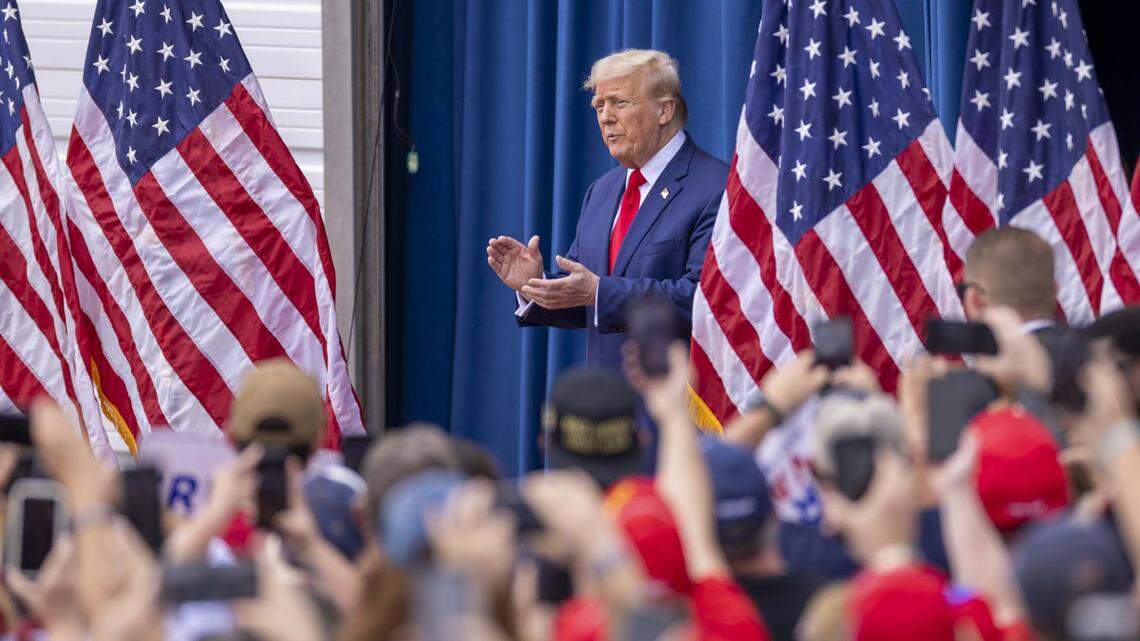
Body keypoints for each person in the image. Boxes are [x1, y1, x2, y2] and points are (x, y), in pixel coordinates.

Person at [486, 48, 729, 371]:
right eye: (599, 105)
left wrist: (599, 291)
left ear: (664, 110)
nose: (605, 116)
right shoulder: (602, 191)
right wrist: (536, 284)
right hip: (607, 410)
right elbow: (586, 297)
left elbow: (706, 298)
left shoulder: (717, 186)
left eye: (620, 102)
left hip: (681, 407)